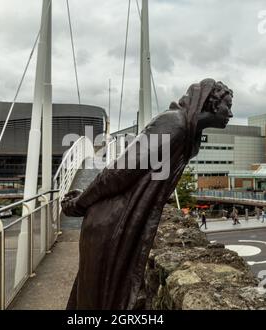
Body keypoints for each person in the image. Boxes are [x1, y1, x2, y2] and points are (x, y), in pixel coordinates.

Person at [62, 78, 233, 310]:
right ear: (212, 103)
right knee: (98, 301)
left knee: (105, 297)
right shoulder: (175, 124)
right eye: (228, 105)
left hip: (123, 223)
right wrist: (81, 203)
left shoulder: (187, 132)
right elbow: (121, 170)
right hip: (112, 223)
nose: (231, 114)